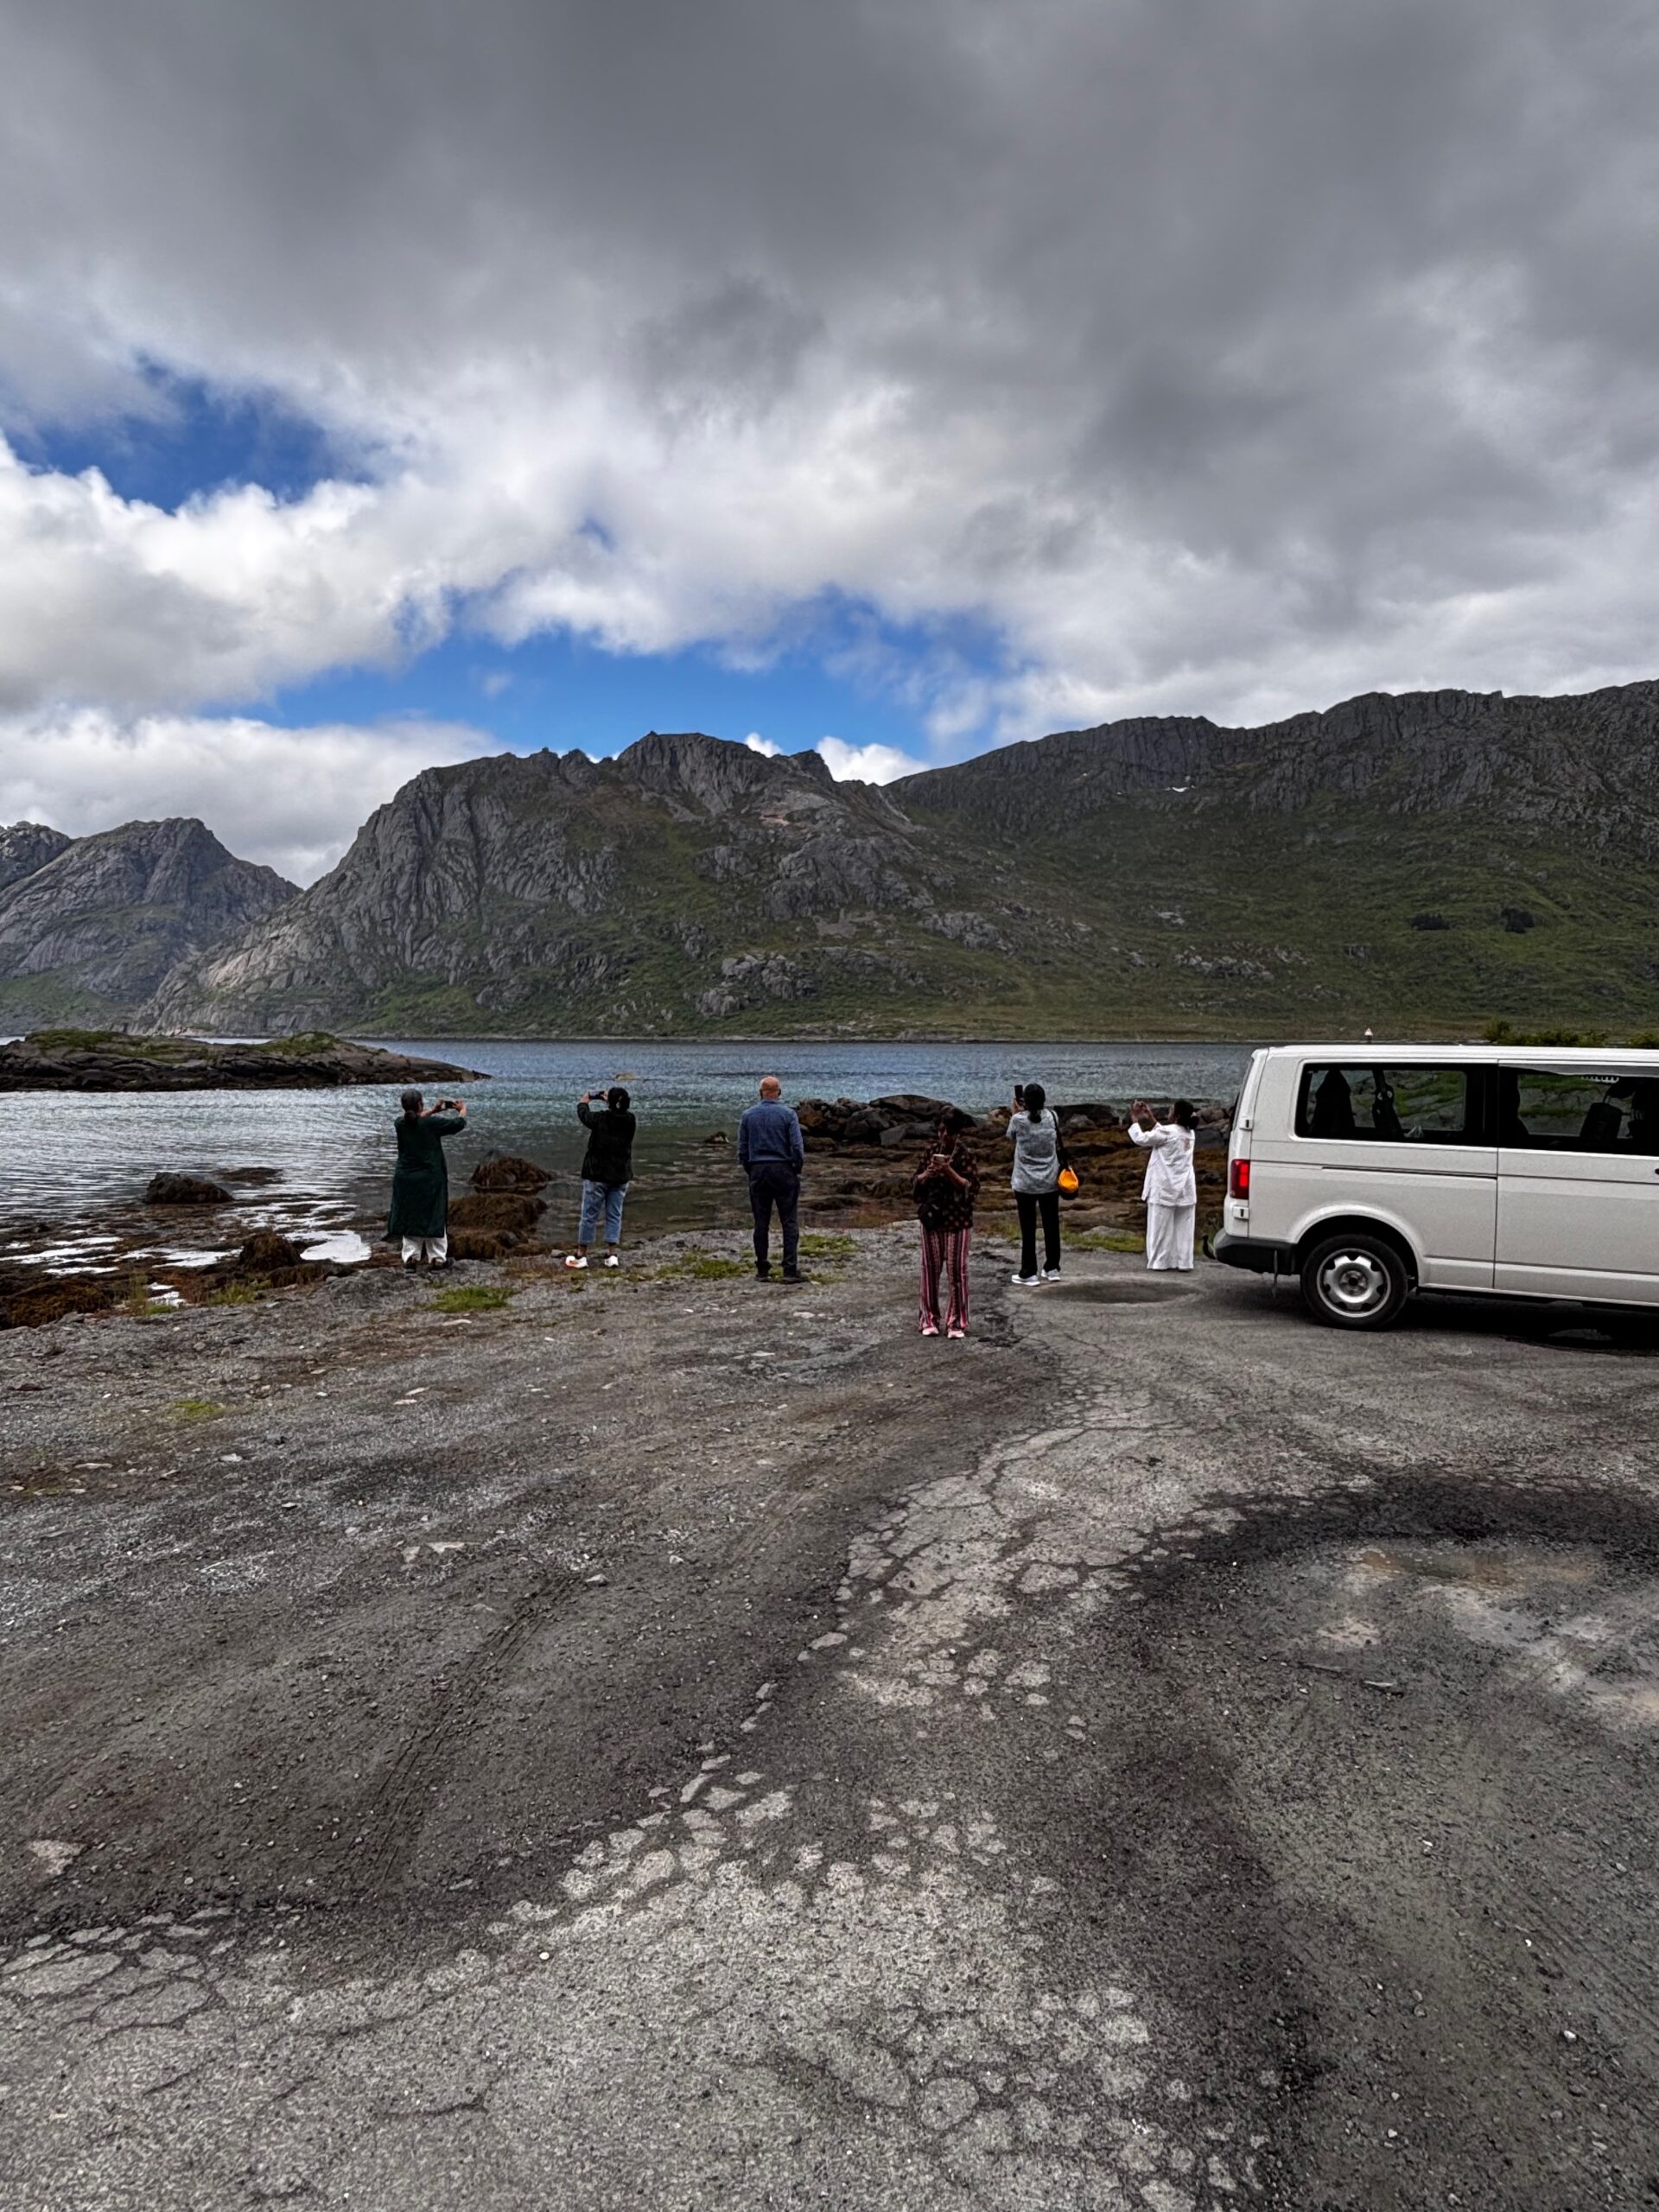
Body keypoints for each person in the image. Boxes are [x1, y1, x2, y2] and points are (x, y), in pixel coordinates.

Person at [914, 1107, 980, 1338]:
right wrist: (927, 1175)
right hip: (932, 1217)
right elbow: (916, 1182)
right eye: (941, 1131)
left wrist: (949, 1171)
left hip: (958, 1219)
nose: (943, 1136)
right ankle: (928, 1318)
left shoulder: (965, 1155)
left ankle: (957, 1322)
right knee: (930, 1269)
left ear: (957, 1133)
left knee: (957, 1271)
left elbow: (971, 1188)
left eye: (948, 1132)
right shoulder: (930, 1151)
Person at [386, 1088, 467, 1268]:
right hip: (430, 1179)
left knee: (409, 1216)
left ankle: (411, 1258)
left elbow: (415, 1120)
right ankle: (437, 1259)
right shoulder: (431, 1124)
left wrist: (433, 1110)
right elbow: (457, 1125)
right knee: (435, 1216)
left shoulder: (399, 1124)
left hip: (405, 1179)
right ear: (419, 1104)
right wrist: (462, 1111)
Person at [738, 1075, 805, 1281]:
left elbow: (742, 1150)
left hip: (758, 1169)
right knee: (789, 1221)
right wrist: (796, 1168)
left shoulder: (748, 1116)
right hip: (783, 1168)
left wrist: (751, 1169)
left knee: (761, 1222)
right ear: (779, 1093)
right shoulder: (788, 1115)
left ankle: (762, 1269)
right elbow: (797, 1146)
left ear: (761, 1093)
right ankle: (789, 1269)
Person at [566, 1086, 636, 1270]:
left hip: (597, 1174)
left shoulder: (602, 1119)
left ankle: (581, 1255)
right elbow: (618, 1113)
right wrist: (612, 1103)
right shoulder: (630, 1120)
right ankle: (611, 1254)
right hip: (620, 1175)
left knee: (589, 1215)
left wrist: (586, 1099)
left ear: (610, 1102)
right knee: (614, 1214)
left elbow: (585, 1115)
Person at [1128, 1097, 1198, 1270]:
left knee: (1159, 1228)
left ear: (1176, 1115)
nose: (1168, 1111)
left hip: (1165, 1187)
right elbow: (1164, 1133)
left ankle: (1160, 1262)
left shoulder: (1168, 1133)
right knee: (1184, 1229)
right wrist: (1151, 1117)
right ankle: (1184, 1262)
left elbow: (1141, 1139)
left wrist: (1135, 1120)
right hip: (1185, 1188)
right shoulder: (1190, 1133)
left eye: (1171, 1110)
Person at [1007, 1080, 1062, 1286]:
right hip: (1050, 1179)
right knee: (1051, 1225)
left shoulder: (1018, 1120)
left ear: (1025, 1101)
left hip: (1025, 1182)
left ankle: (1029, 1271)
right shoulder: (1053, 1117)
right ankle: (1052, 1268)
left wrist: (1016, 1112)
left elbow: (1010, 1136)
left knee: (1028, 1228)